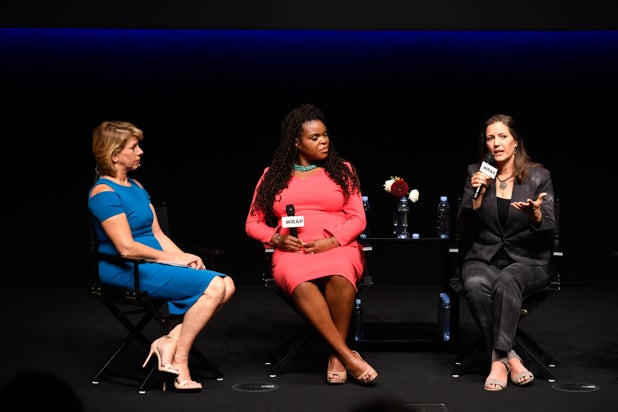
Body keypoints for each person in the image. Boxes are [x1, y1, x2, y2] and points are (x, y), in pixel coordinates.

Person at [88, 120, 235, 392]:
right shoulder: (103, 193)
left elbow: (157, 234)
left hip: (150, 261)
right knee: (215, 286)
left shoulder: (137, 186)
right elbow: (126, 248)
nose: (140, 151)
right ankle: (180, 360)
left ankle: (168, 341)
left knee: (227, 284)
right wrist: (171, 259)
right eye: (134, 147)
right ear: (114, 154)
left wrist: (184, 256)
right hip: (125, 267)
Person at [245, 103, 378, 385]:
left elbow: (358, 218)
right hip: (293, 250)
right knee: (301, 281)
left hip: (337, 245)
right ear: (296, 142)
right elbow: (253, 223)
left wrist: (332, 241)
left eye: (325, 135)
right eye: (314, 137)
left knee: (340, 276)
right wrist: (277, 238)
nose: (323, 141)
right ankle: (345, 354)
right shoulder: (273, 176)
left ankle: (337, 357)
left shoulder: (343, 170)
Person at [458, 113, 556, 391]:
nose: (496, 143)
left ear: (516, 142)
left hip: (528, 259)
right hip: (484, 256)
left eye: (503, 136)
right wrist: (477, 194)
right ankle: (508, 356)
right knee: (475, 284)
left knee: (507, 279)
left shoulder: (538, 176)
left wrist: (536, 215)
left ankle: (497, 361)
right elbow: (464, 224)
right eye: (490, 138)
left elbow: (550, 225)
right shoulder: (477, 173)